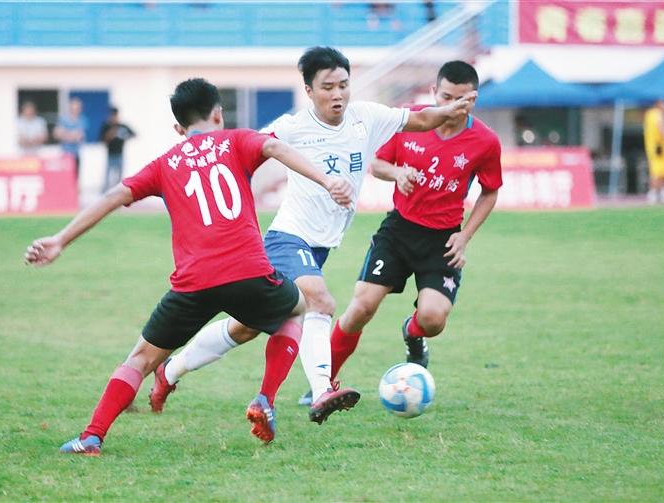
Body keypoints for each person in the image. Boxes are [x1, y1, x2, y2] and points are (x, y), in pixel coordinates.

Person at [24, 78, 352, 453]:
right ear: (218, 114)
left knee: (140, 359)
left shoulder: (165, 163)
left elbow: (115, 195)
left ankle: (91, 437)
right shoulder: (236, 141)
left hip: (193, 282)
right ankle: (265, 398)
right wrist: (327, 181)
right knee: (296, 309)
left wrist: (60, 240)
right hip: (248, 272)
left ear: (179, 128)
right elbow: (274, 146)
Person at [149, 46, 476, 418]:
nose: (338, 95)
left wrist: (449, 111)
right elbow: (235, 151)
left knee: (246, 327)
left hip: (318, 247)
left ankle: (170, 371)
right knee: (320, 302)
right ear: (308, 90)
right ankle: (322, 390)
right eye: (327, 87)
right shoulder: (292, 127)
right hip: (288, 238)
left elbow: (420, 119)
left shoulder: (367, 117)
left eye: (343, 85)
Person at [321, 60, 502, 391]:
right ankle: (322, 384)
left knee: (433, 320)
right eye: (446, 97)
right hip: (399, 231)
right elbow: (377, 164)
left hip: (443, 240)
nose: (452, 106)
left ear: (473, 99)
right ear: (434, 92)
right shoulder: (409, 121)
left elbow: (490, 192)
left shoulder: (485, 141)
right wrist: (398, 172)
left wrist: (465, 236)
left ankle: (413, 333)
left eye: (461, 99)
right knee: (361, 307)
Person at [643, 99, 664, 204]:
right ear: (659, 104)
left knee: (658, 170)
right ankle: (656, 192)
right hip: (660, 147)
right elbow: (662, 129)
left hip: (652, 147)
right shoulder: (658, 114)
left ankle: (660, 192)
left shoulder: (649, 114)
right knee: (659, 171)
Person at [99, 106, 136, 193]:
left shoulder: (122, 126)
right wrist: (110, 134)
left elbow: (134, 134)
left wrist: (125, 136)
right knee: (107, 175)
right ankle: (105, 192)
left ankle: (117, 192)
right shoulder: (106, 126)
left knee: (119, 175)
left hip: (120, 154)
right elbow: (101, 139)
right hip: (110, 155)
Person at [54, 97, 87, 184]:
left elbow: (80, 136)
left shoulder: (82, 120)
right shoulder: (63, 119)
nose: (76, 110)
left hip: (76, 154)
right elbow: (57, 134)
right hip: (65, 154)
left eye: (78, 108)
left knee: (76, 178)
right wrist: (72, 135)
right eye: (74, 108)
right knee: (64, 178)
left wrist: (66, 134)